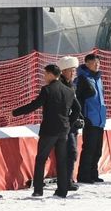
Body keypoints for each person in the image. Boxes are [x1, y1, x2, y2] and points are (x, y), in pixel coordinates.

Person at [12, 62, 80, 198]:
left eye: (45, 74)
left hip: (49, 130)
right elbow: (77, 109)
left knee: (41, 159)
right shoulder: (69, 90)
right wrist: (69, 123)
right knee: (62, 160)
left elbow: (34, 105)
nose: (44, 77)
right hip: (63, 130)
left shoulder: (47, 90)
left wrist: (15, 112)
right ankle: (62, 190)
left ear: (50, 74)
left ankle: (38, 189)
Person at [74, 53, 107, 184]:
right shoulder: (82, 79)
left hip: (100, 119)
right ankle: (83, 175)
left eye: (98, 62)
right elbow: (78, 100)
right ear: (87, 63)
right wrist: (82, 115)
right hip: (90, 118)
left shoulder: (98, 78)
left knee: (98, 149)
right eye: (94, 62)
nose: (97, 64)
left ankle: (94, 173)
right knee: (89, 148)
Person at [57, 56, 85, 190]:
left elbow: (75, 105)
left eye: (74, 70)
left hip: (72, 124)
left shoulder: (71, 85)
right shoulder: (60, 86)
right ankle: (66, 181)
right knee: (70, 152)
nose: (74, 73)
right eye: (71, 70)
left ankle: (68, 179)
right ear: (63, 71)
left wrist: (79, 118)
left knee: (71, 153)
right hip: (64, 125)